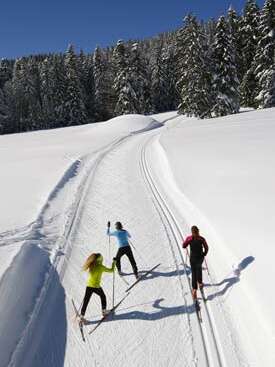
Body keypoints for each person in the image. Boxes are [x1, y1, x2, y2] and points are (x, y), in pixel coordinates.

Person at [80, 253, 116, 322]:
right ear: (100, 259)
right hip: (96, 286)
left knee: (86, 301)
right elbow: (111, 270)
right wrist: (114, 262)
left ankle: (82, 316)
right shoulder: (100, 267)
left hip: (88, 286)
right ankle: (104, 311)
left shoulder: (92, 265)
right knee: (103, 296)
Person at [182, 225, 209, 300]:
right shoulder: (202, 239)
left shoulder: (189, 238)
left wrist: (187, 243)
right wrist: (204, 253)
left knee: (193, 273)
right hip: (200, 258)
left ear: (192, 232)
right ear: (198, 231)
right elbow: (206, 247)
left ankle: (194, 290)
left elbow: (184, 246)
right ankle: (200, 283)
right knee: (199, 269)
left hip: (192, 258)